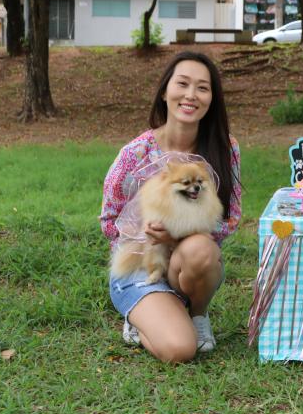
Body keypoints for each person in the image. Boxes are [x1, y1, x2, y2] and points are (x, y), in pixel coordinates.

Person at [100, 51, 241, 363]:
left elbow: (231, 219)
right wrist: (143, 235)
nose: (191, 95)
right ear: (165, 91)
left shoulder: (224, 147)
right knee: (179, 350)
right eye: (183, 84)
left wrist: (177, 238)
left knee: (201, 249)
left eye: (203, 88)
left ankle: (197, 315)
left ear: (211, 99)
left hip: (185, 263)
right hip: (140, 266)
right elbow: (109, 220)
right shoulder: (135, 154)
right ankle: (139, 317)